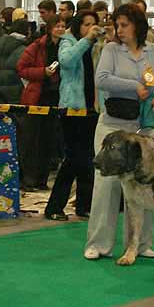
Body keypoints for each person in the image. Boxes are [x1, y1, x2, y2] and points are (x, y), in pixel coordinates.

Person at [84, 3, 154, 260]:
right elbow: (102, 78)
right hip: (113, 125)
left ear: (138, 26)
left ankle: (142, 245)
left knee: (146, 186)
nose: (119, 29)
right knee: (106, 185)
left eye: (124, 25)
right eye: (117, 25)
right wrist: (134, 87)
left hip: (145, 127)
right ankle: (98, 244)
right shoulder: (111, 50)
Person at [45, 11, 102, 221]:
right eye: (86, 24)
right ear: (78, 26)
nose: (91, 28)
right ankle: (54, 207)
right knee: (72, 159)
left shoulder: (97, 46)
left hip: (92, 108)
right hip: (71, 109)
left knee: (88, 159)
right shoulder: (67, 42)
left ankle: (83, 205)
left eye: (94, 24)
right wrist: (86, 40)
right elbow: (67, 62)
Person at [16, 15, 66, 191]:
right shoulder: (37, 46)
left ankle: (42, 179)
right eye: (57, 26)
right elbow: (21, 68)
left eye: (63, 26)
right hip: (37, 97)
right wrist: (42, 72)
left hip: (57, 98)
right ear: (50, 28)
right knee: (31, 140)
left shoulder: (67, 47)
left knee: (49, 140)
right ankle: (29, 178)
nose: (60, 29)